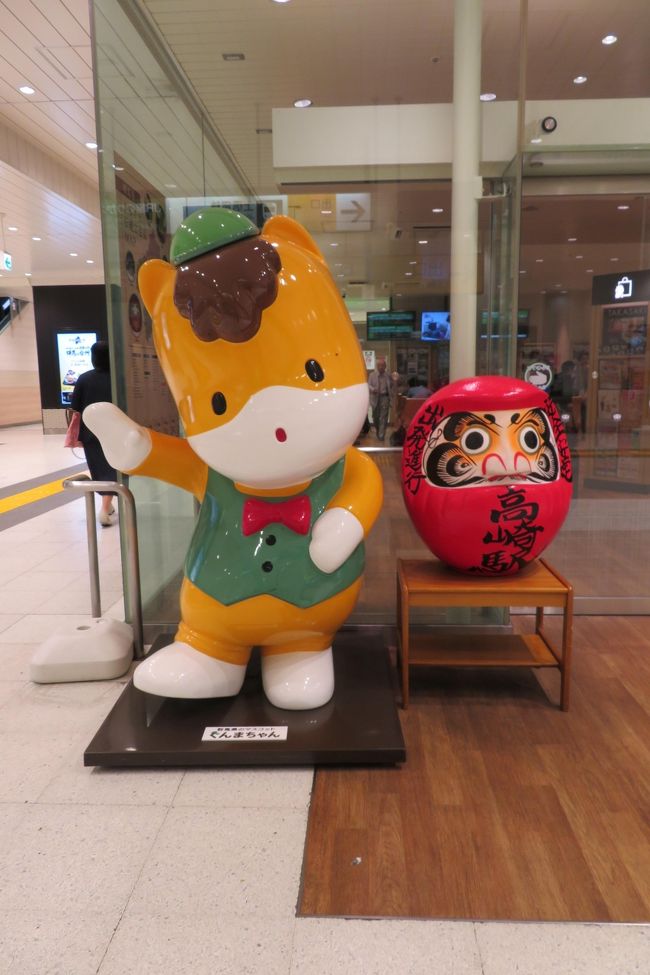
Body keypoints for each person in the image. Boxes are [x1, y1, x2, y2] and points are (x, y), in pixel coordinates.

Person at [70, 341, 118, 526]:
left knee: (99, 470)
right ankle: (106, 508)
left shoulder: (83, 379)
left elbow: (75, 408)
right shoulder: (116, 378)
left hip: (90, 435)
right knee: (112, 468)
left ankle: (106, 507)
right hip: (115, 432)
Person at [368, 356, 393, 441]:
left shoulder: (388, 375)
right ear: (376, 366)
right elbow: (368, 385)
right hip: (375, 397)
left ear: (385, 366)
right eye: (379, 365)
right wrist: (373, 389)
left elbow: (392, 385)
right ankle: (379, 431)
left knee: (383, 417)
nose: (381, 367)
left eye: (383, 365)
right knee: (375, 417)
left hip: (385, 397)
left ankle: (381, 435)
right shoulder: (372, 375)